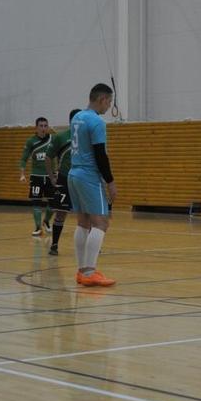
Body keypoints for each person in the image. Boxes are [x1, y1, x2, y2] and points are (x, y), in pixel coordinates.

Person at [68, 84, 117, 286]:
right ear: (102, 99)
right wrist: (110, 182)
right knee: (101, 223)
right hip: (88, 176)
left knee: (83, 222)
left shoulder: (77, 117)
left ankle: (82, 271)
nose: (109, 106)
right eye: (109, 102)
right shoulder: (97, 122)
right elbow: (100, 155)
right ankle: (89, 272)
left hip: (73, 173)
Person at [44, 108, 80, 255]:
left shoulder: (86, 137)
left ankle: (91, 245)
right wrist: (52, 177)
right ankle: (54, 245)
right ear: (72, 121)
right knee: (61, 212)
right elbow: (48, 157)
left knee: (87, 213)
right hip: (64, 178)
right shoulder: (60, 137)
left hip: (82, 179)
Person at [19, 117, 54, 236]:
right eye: (41, 126)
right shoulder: (31, 141)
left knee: (54, 202)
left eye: (45, 126)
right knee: (36, 202)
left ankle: (46, 221)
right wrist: (22, 174)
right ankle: (38, 227)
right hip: (36, 176)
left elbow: (60, 154)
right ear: (36, 127)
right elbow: (24, 159)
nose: (43, 128)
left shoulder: (53, 139)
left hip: (50, 176)